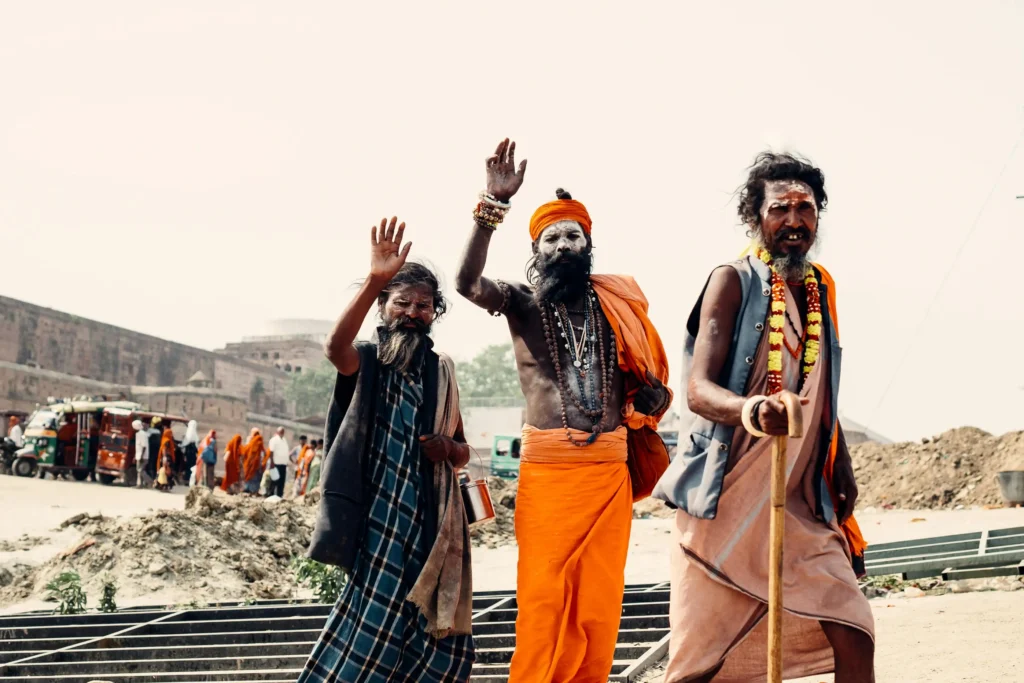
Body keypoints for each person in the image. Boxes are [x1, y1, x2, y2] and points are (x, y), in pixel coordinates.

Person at [455, 139, 672, 682]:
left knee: (599, 604)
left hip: (607, 473)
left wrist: (653, 400)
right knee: (544, 599)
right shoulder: (523, 304)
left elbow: (655, 389)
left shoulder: (619, 306)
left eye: (573, 235)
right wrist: (491, 206)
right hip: (549, 474)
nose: (563, 245)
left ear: (588, 244)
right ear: (537, 250)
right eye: (551, 238)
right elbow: (466, 284)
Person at [652, 152, 874, 682]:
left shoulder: (822, 288)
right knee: (699, 666)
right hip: (725, 502)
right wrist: (753, 408)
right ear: (755, 217)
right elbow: (698, 390)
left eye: (806, 208)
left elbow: (821, 392)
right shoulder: (731, 281)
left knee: (854, 627)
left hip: (799, 503)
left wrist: (839, 462)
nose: (795, 221)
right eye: (781, 209)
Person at [300, 219, 474, 683]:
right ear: (383, 307)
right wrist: (376, 276)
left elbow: (462, 453)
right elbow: (333, 347)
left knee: (431, 634)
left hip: (428, 526)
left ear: (435, 312)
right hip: (374, 522)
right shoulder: (367, 359)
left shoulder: (441, 373)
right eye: (402, 303)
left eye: (424, 306)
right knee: (370, 622)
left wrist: (447, 448)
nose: (413, 314)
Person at [241, 428, 266, 495]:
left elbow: (245, 450)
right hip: (257, 463)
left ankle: (247, 488)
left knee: (249, 475)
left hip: (250, 462)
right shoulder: (259, 440)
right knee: (255, 476)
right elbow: (264, 451)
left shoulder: (251, 440)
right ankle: (254, 490)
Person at [267, 427, 289, 498]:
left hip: (283, 464)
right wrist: (272, 463)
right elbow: (271, 452)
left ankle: (279, 495)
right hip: (276, 463)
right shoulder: (274, 440)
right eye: (281, 432)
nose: (282, 433)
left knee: (282, 481)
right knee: (274, 480)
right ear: (277, 432)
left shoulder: (284, 440)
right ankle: (270, 494)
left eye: (283, 432)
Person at [155, 424, 176, 492]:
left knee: (165, 472)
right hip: (167, 458)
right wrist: (165, 458)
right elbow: (164, 449)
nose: (171, 435)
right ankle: (165, 486)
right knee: (167, 473)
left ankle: (162, 486)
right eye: (170, 433)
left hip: (164, 458)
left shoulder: (164, 439)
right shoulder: (167, 441)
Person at [133, 419, 151, 488]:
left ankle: (150, 482)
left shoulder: (142, 434)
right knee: (139, 471)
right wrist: (136, 456)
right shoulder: (138, 434)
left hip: (143, 456)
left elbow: (144, 446)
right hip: (139, 455)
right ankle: (140, 484)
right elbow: (138, 447)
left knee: (140, 471)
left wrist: (141, 456)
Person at [181, 420, 200, 485]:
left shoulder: (188, 434)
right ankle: (191, 481)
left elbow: (184, 445)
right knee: (192, 468)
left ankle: (187, 480)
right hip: (193, 455)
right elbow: (197, 447)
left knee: (188, 467)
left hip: (188, 454)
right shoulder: (196, 435)